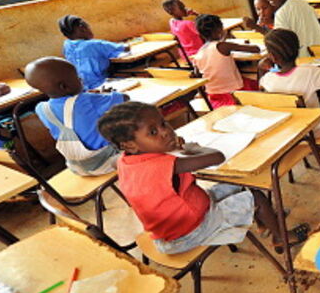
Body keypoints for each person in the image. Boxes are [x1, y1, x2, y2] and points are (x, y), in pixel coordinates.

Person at [97, 101, 306, 253]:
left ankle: (263, 222)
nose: (166, 132)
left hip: (169, 229)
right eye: (153, 132)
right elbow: (217, 156)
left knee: (235, 185)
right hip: (189, 232)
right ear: (130, 144)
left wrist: (169, 147)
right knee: (257, 196)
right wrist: (191, 147)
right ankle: (281, 237)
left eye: (163, 124)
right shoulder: (169, 165)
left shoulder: (124, 160)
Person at [259, 28, 320, 164]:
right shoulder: (309, 72)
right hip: (312, 129)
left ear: (272, 57)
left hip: (289, 132)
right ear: (298, 50)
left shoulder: (268, 79)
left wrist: (260, 67)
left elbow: (260, 85)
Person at [24, 57, 124, 176]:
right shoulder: (86, 100)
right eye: (77, 77)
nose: (81, 79)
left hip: (77, 167)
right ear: (64, 86)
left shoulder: (41, 108)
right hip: (108, 162)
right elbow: (123, 98)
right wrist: (102, 95)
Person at [191, 14, 261, 108]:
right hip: (235, 92)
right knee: (259, 81)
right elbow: (255, 49)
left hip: (214, 96)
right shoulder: (224, 46)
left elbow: (197, 75)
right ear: (220, 29)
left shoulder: (199, 53)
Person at [58, 15, 128, 89]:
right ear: (82, 28)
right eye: (87, 26)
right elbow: (124, 48)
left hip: (82, 88)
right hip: (101, 84)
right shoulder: (95, 44)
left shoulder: (67, 45)